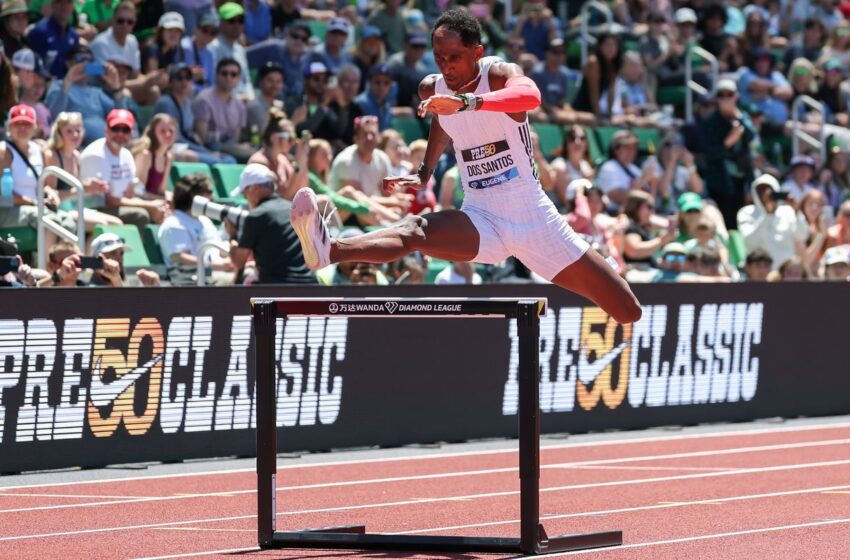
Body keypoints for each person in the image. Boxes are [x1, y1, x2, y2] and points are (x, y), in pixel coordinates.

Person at [288, 10, 640, 324]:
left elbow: (531, 96)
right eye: (440, 57)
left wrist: (468, 102)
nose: (447, 66)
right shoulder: (434, 88)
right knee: (414, 231)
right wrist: (425, 171)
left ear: (477, 53)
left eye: (455, 57)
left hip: (534, 218)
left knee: (627, 311)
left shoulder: (499, 76)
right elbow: (443, 122)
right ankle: (330, 250)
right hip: (481, 216)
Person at [80, 109, 170, 228]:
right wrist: (149, 205)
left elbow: (129, 194)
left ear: (132, 132)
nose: (120, 134)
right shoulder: (96, 155)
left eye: (125, 130)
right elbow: (108, 201)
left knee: (164, 213)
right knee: (140, 215)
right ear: (106, 129)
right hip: (93, 209)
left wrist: (158, 205)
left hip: (116, 206)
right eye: (115, 129)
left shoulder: (126, 155)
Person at [228, 163, 316, 284]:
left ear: (255, 188)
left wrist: (232, 235)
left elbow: (238, 261)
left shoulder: (256, 216)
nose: (245, 198)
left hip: (277, 289)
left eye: (244, 193)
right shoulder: (295, 209)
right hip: (311, 286)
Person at [42, 111, 123, 231]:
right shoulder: (52, 156)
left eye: (78, 131)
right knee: (102, 225)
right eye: (69, 131)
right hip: (59, 212)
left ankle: (90, 250)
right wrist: (81, 189)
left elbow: (77, 190)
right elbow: (51, 195)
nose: (75, 135)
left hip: (75, 209)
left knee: (117, 223)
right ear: (59, 134)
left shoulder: (77, 156)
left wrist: (93, 187)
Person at [158, 173, 234, 285]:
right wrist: (218, 266)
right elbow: (178, 257)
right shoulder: (173, 224)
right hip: (193, 279)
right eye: (209, 192)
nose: (212, 197)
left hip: (215, 273)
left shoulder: (205, 220)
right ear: (195, 196)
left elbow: (217, 251)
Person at [737, 173, 803, 270]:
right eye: (761, 190)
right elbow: (750, 241)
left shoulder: (788, 211)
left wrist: (797, 212)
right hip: (759, 273)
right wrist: (767, 214)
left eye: (770, 190)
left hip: (785, 273)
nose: (766, 195)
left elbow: (802, 236)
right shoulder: (746, 212)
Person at [192, 58, 252, 162]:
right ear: (216, 75)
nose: (228, 78)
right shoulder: (204, 100)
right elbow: (201, 138)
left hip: (230, 149)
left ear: (238, 78)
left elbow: (235, 138)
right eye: (224, 73)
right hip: (210, 148)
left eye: (233, 74)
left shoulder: (240, 105)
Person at [247, 107, 308, 200]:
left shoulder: (283, 160)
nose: (293, 142)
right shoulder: (259, 162)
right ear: (274, 138)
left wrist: (303, 161)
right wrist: (298, 164)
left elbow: (301, 189)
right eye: (290, 138)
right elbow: (282, 199)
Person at [27, 0, 79, 78]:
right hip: (44, 85)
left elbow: (81, 64)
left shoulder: (73, 34)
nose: (64, 6)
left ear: (73, 6)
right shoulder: (40, 31)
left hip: (69, 83)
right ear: (52, 5)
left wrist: (99, 69)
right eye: (59, 2)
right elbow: (33, 64)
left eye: (68, 2)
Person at [86, 232, 161, 286]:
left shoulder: (128, 283)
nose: (119, 258)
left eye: (121, 253)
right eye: (112, 253)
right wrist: (116, 280)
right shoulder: (90, 288)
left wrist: (152, 290)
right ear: (98, 258)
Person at [132, 113, 177, 200]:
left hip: (155, 202)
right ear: (153, 133)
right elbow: (138, 191)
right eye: (162, 131)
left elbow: (161, 190)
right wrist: (161, 200)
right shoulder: (145, 155)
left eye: (171, 131)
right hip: (141, 202)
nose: (168, 134)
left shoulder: (168, 157)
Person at [246, 63, 285, 136]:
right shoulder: (254, 106)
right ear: (261, 82)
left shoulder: (280, 105)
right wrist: (294, 122)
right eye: (270, 80)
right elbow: (265, 134)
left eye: (278, 81)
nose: (275, 85)